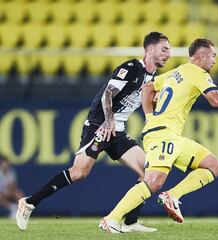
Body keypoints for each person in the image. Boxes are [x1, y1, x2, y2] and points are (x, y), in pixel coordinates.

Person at [16, 32, 171, 232]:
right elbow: (108, 93)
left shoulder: (152, 77)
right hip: (101, 124)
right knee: (80, 172)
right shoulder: (131, 68)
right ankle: (29, 203)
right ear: (150, 49)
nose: (169, 53)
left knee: (149, 172)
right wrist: (108, 122)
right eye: (164, 49)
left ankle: (129, 222)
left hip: (118, 131)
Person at [98, 38, 218, 233]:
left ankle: (172, 196)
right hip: (163, 135)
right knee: (154, 180)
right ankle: (111, 219)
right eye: (213, 56)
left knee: (213, 165)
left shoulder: (177, 71)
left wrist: (149, 116)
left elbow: (148, 88)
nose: (214, 61)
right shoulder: (198, 72)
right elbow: (215, 100)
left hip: (169, 135)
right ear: (201, 56)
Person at [0, 154, 24, 218]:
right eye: (4, 163)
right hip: (1, 193)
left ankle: (21, 212)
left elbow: (13, 185)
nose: (6, 165)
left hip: (9, 191)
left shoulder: (12, 172)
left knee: (19, 194)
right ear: (1, 163)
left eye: (7, 163)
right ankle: (13, 208)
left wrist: (9, 190)